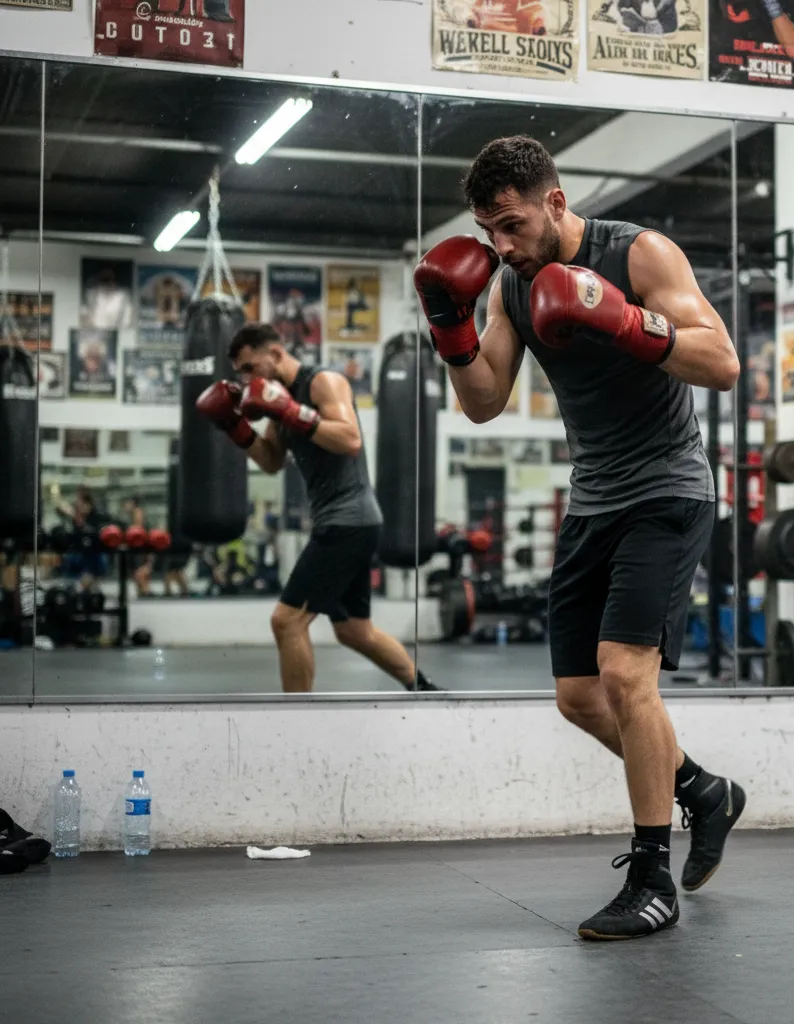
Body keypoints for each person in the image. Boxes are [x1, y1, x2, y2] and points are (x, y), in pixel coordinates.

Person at [413, 135, 742, 941]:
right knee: (578, 697)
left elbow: (723, 362)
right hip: (593, 498)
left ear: (555, 203)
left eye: (512, 224)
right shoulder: (514, 288)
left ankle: (653, 876)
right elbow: (483, 401)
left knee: (627, 677)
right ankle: (703, 790)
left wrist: (628, 321)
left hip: (668, 488)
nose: (499, 244)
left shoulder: (641, 254)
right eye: (487, 229)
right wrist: (451, 330)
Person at [196, 323, 438, 694]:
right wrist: (235, 427)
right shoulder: (279, 399)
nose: (245, 379)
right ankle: (423, 687)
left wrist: (292, 411)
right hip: (348, 522)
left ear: (275, 354)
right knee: (355, 630)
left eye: (249, 368)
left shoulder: (324, 382)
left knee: (287, 621)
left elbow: (350, 438)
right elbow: (273, 460)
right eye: (239, 373)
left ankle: (298, 719)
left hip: (348, 520)